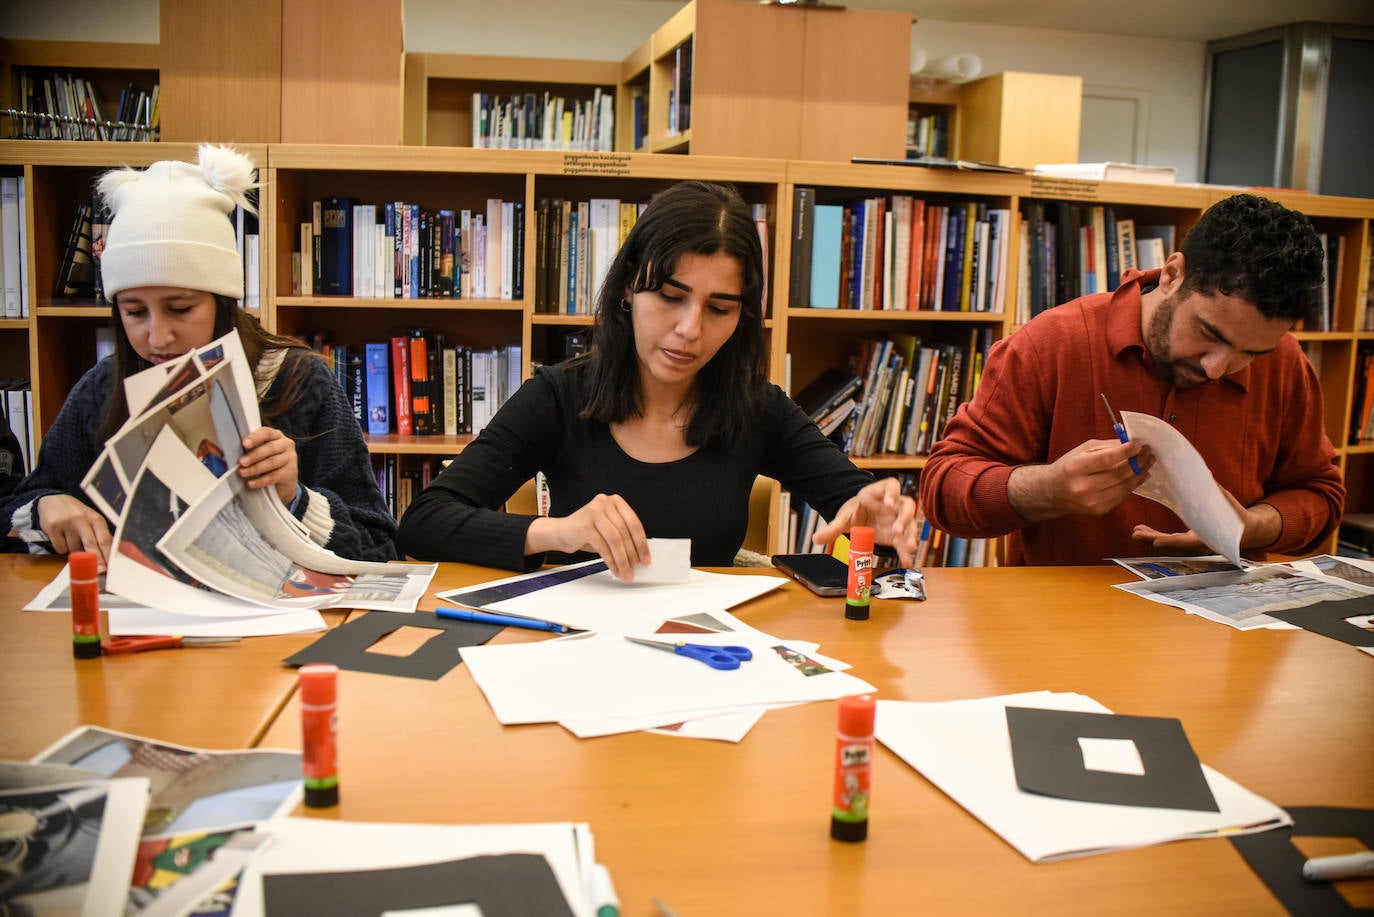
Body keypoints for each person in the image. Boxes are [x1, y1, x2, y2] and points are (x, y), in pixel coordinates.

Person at [398, 180, 916, 580]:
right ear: (629, 286)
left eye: (719, 308)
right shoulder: (559, 395)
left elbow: (863, 513)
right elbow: (425, 521)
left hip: (709, 656)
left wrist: (883, 527)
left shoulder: (758, 408)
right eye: (670, 297)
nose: (690, 330)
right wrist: (559, 531)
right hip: (577, 649)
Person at [0, 144, 396, 567]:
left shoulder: (298, 380)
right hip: (137, 616)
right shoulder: (102, 387)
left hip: (274, 620)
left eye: (180, 308)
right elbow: (15, 506)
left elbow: (380, 547)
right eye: (134, 311)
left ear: (222, 303)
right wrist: (46, 505)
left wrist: (295, 498)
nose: (157, 336)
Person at [919, 192, 1345, 565]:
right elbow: (943, 488)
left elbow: (1321, 495)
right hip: (1065, 630)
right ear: (1173, 274)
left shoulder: (1287, 363)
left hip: (1224, 636)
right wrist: (1049, 489)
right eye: (1208, 334)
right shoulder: (1053, 343)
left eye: (1251, 354)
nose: (1216, 369)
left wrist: (1252, 527)